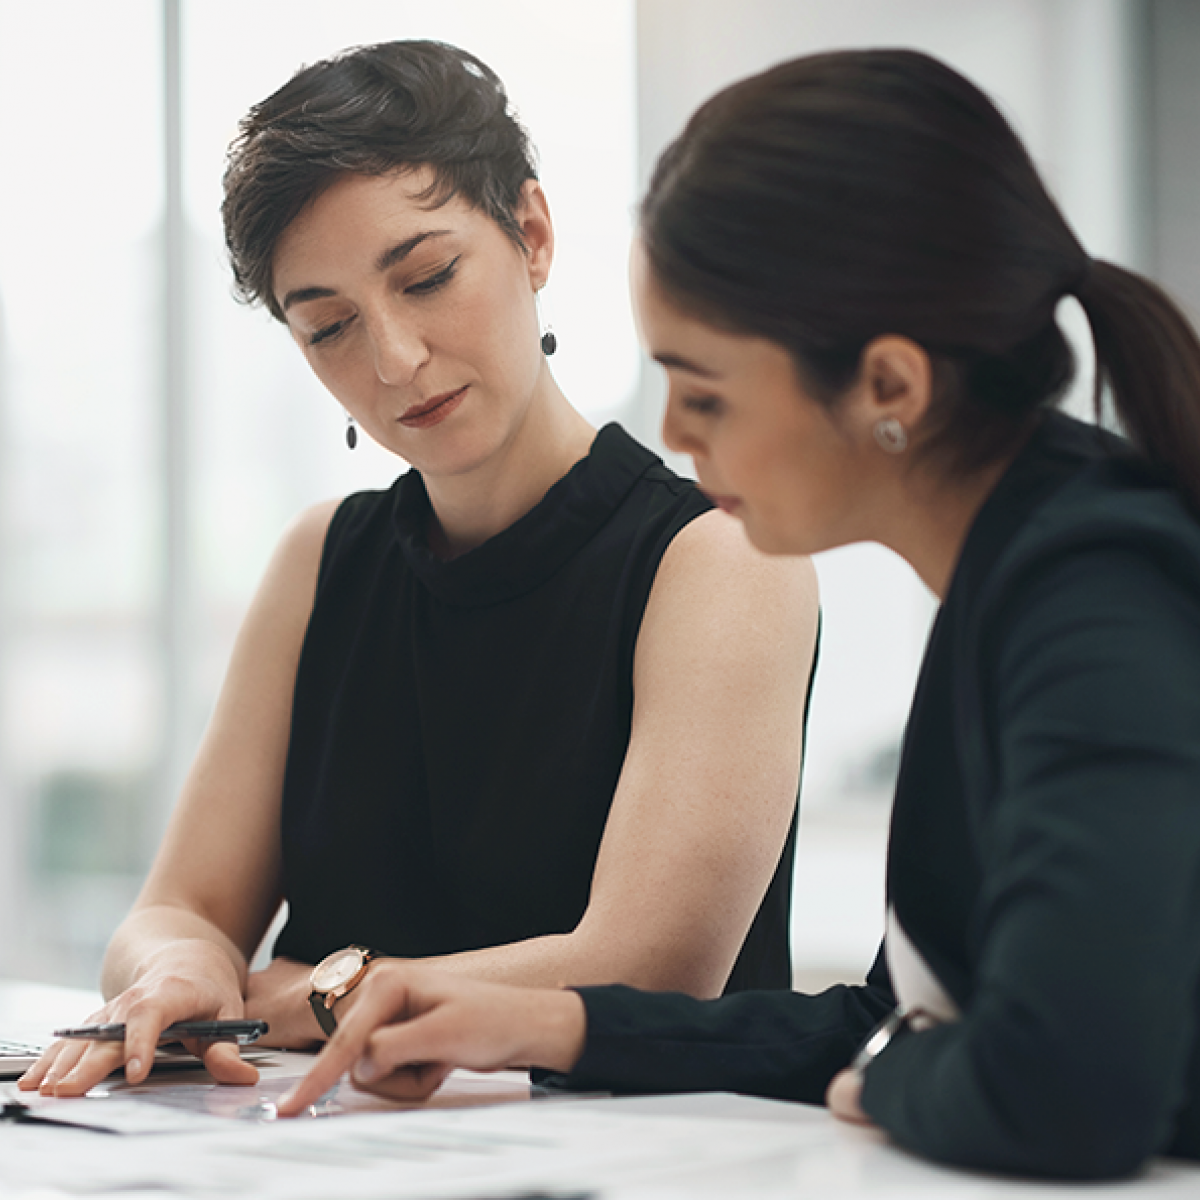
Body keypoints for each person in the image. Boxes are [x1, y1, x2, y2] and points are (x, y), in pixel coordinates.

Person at [273, 48, 1200, 1181]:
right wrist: (544, 1023)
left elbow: (1063, 1091)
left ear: (891, 391)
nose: (676, 429)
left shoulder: (1093, 589)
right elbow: (888, 1011)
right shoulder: (1011, 577)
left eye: (704, 389)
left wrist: (891, 1077)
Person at [20, 41, 817, 1097]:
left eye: (429, 277)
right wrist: (181, 968)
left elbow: (649, 968)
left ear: (531, 236)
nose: (393, 359)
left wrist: (300, 994)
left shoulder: (719, 557)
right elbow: (177, 911)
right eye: (330, 326)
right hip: (325, 1153)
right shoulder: (320, 560)